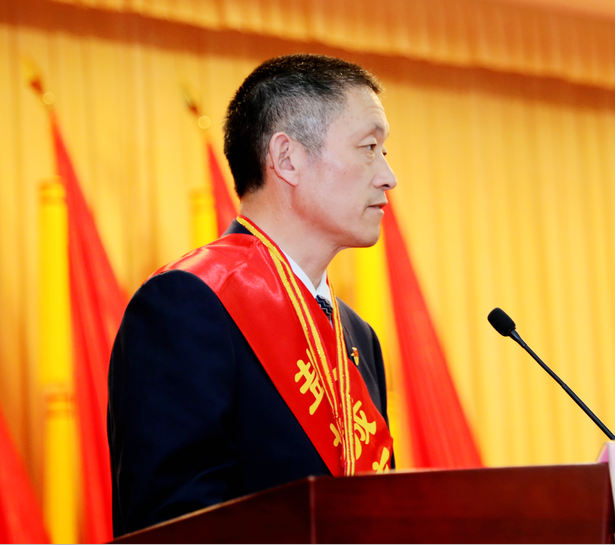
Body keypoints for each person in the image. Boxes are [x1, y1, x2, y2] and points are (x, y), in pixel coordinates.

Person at [107, 54, 397, 537]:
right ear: (287, 159)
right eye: (369, 147)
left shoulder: (359, 337)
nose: (388, 175)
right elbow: (174, 527)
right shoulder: (188, 304)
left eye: (385, 151)